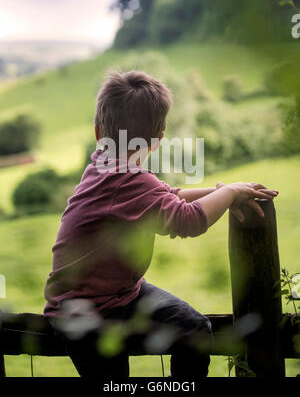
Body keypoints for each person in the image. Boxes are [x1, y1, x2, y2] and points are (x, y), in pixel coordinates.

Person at [43, 70, 278, 378]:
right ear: (158, 140)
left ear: (99, 132)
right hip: (82, 314)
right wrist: (230, 192)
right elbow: (188, 220)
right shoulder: (125, 177)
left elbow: (171, 195)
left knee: (193, 328)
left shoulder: (106, 167)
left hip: (122, 294)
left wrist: (224, 192)